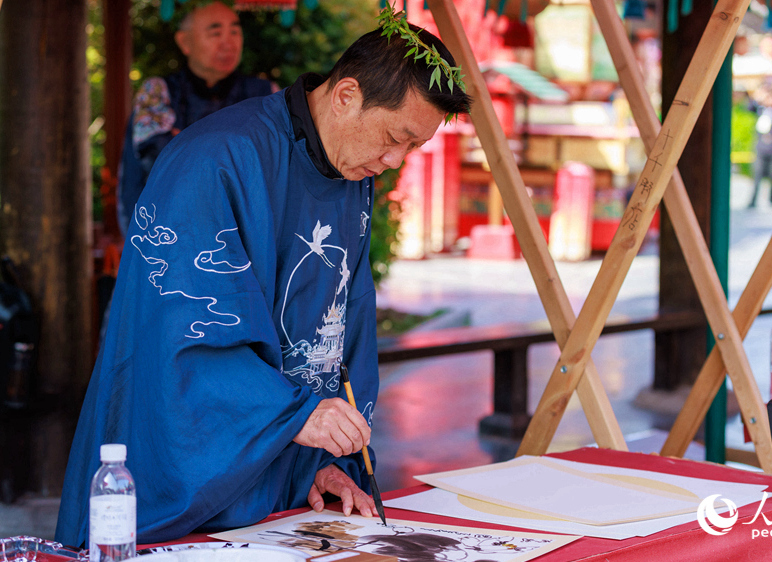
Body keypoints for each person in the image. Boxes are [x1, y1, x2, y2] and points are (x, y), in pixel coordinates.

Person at [54, 15, 471, 548]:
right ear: (346, 95)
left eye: (412, 148)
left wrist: (322, 461)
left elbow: (340, 329)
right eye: (394, 138)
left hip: (283, 483)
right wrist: (299, 416)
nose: (394, 161)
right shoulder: (214, 161)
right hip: (185, 479)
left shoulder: (350, 169)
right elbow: (185, 338)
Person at [117, 0, 276, 235]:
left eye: (235, 31)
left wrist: (185, 142)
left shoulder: (266, 95)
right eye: (215, 33)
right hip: (170, 232)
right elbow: (156, 165)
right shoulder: (158, 92)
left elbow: (276, 170)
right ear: (185, 42)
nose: (228, 42)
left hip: (248, 234)